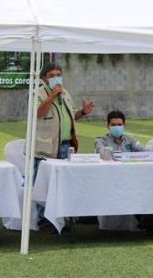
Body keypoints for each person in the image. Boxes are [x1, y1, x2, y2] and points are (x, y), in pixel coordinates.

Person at [34, 63, 94, 232]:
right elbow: (37, 113)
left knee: (63, 184)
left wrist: (82, 112)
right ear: (44, 78)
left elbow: (71, 115)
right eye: (52, 75)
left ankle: (61, 219)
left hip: (66, 145)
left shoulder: (65, 93)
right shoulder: (37, 93)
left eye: (58, 74)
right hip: (46, 146)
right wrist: (52, 96)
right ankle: (44, 222)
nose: (56, 77)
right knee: (45, 183)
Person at [94, 110, 153, 236]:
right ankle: (144, 218)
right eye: (113, 125)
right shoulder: (101, 139)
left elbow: (145, 151)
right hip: (109, 179)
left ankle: (147, 218)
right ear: (107, 126)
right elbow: (103, 153)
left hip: (130, 178)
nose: (116, 127)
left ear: (124, 125)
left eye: (119, 124)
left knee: (140, 187)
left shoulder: (129, 140)